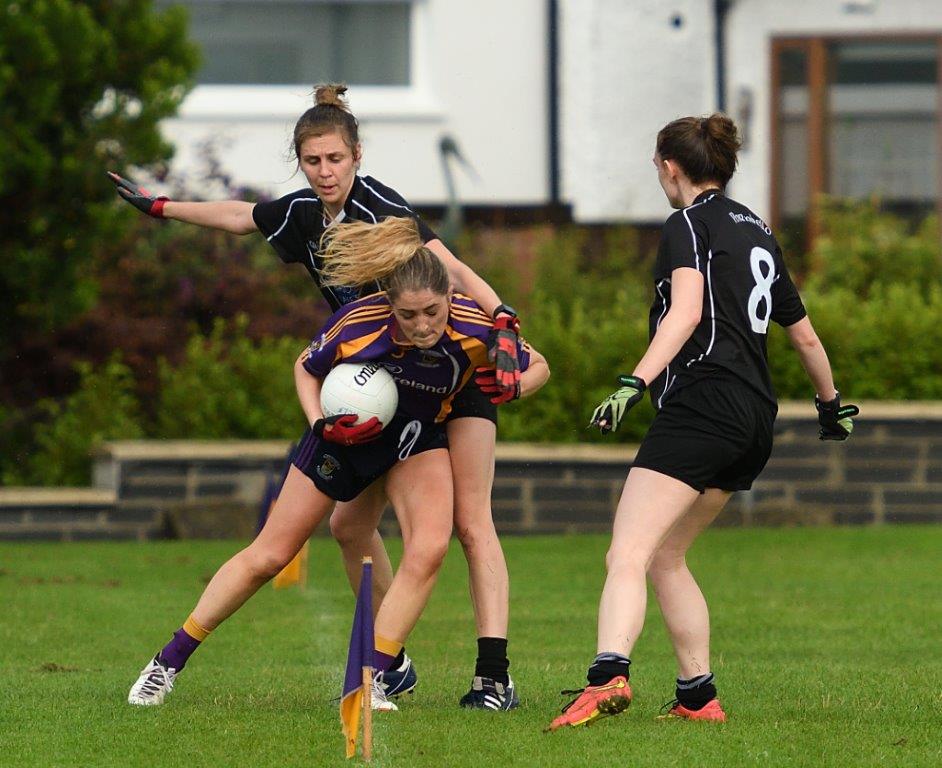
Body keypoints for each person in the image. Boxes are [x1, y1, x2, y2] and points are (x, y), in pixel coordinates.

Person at [109, 84, 526, 709]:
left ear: (357, 155)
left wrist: (502, 324)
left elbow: (452, 272)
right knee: (344, 526)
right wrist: (162, 208)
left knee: (468, 524)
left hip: (451, 369)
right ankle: (390, 660)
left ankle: (491, 675)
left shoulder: (384, 211)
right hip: (373, 376)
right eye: (313, 161)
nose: (325, 172)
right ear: (301, 162)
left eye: (336, 159)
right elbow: (240, 216)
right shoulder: (305, 216)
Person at [546, 114, 859, 730]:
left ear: (669, 167)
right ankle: (697, 697)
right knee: (667, 555)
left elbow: (685, 313)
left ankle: (607, 676)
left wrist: (633, 381)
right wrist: (830, 404)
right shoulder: (759, 231)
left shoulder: (686, 223)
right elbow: (805, 335)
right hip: (753, 419)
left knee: (627, 551)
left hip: (704, 403)